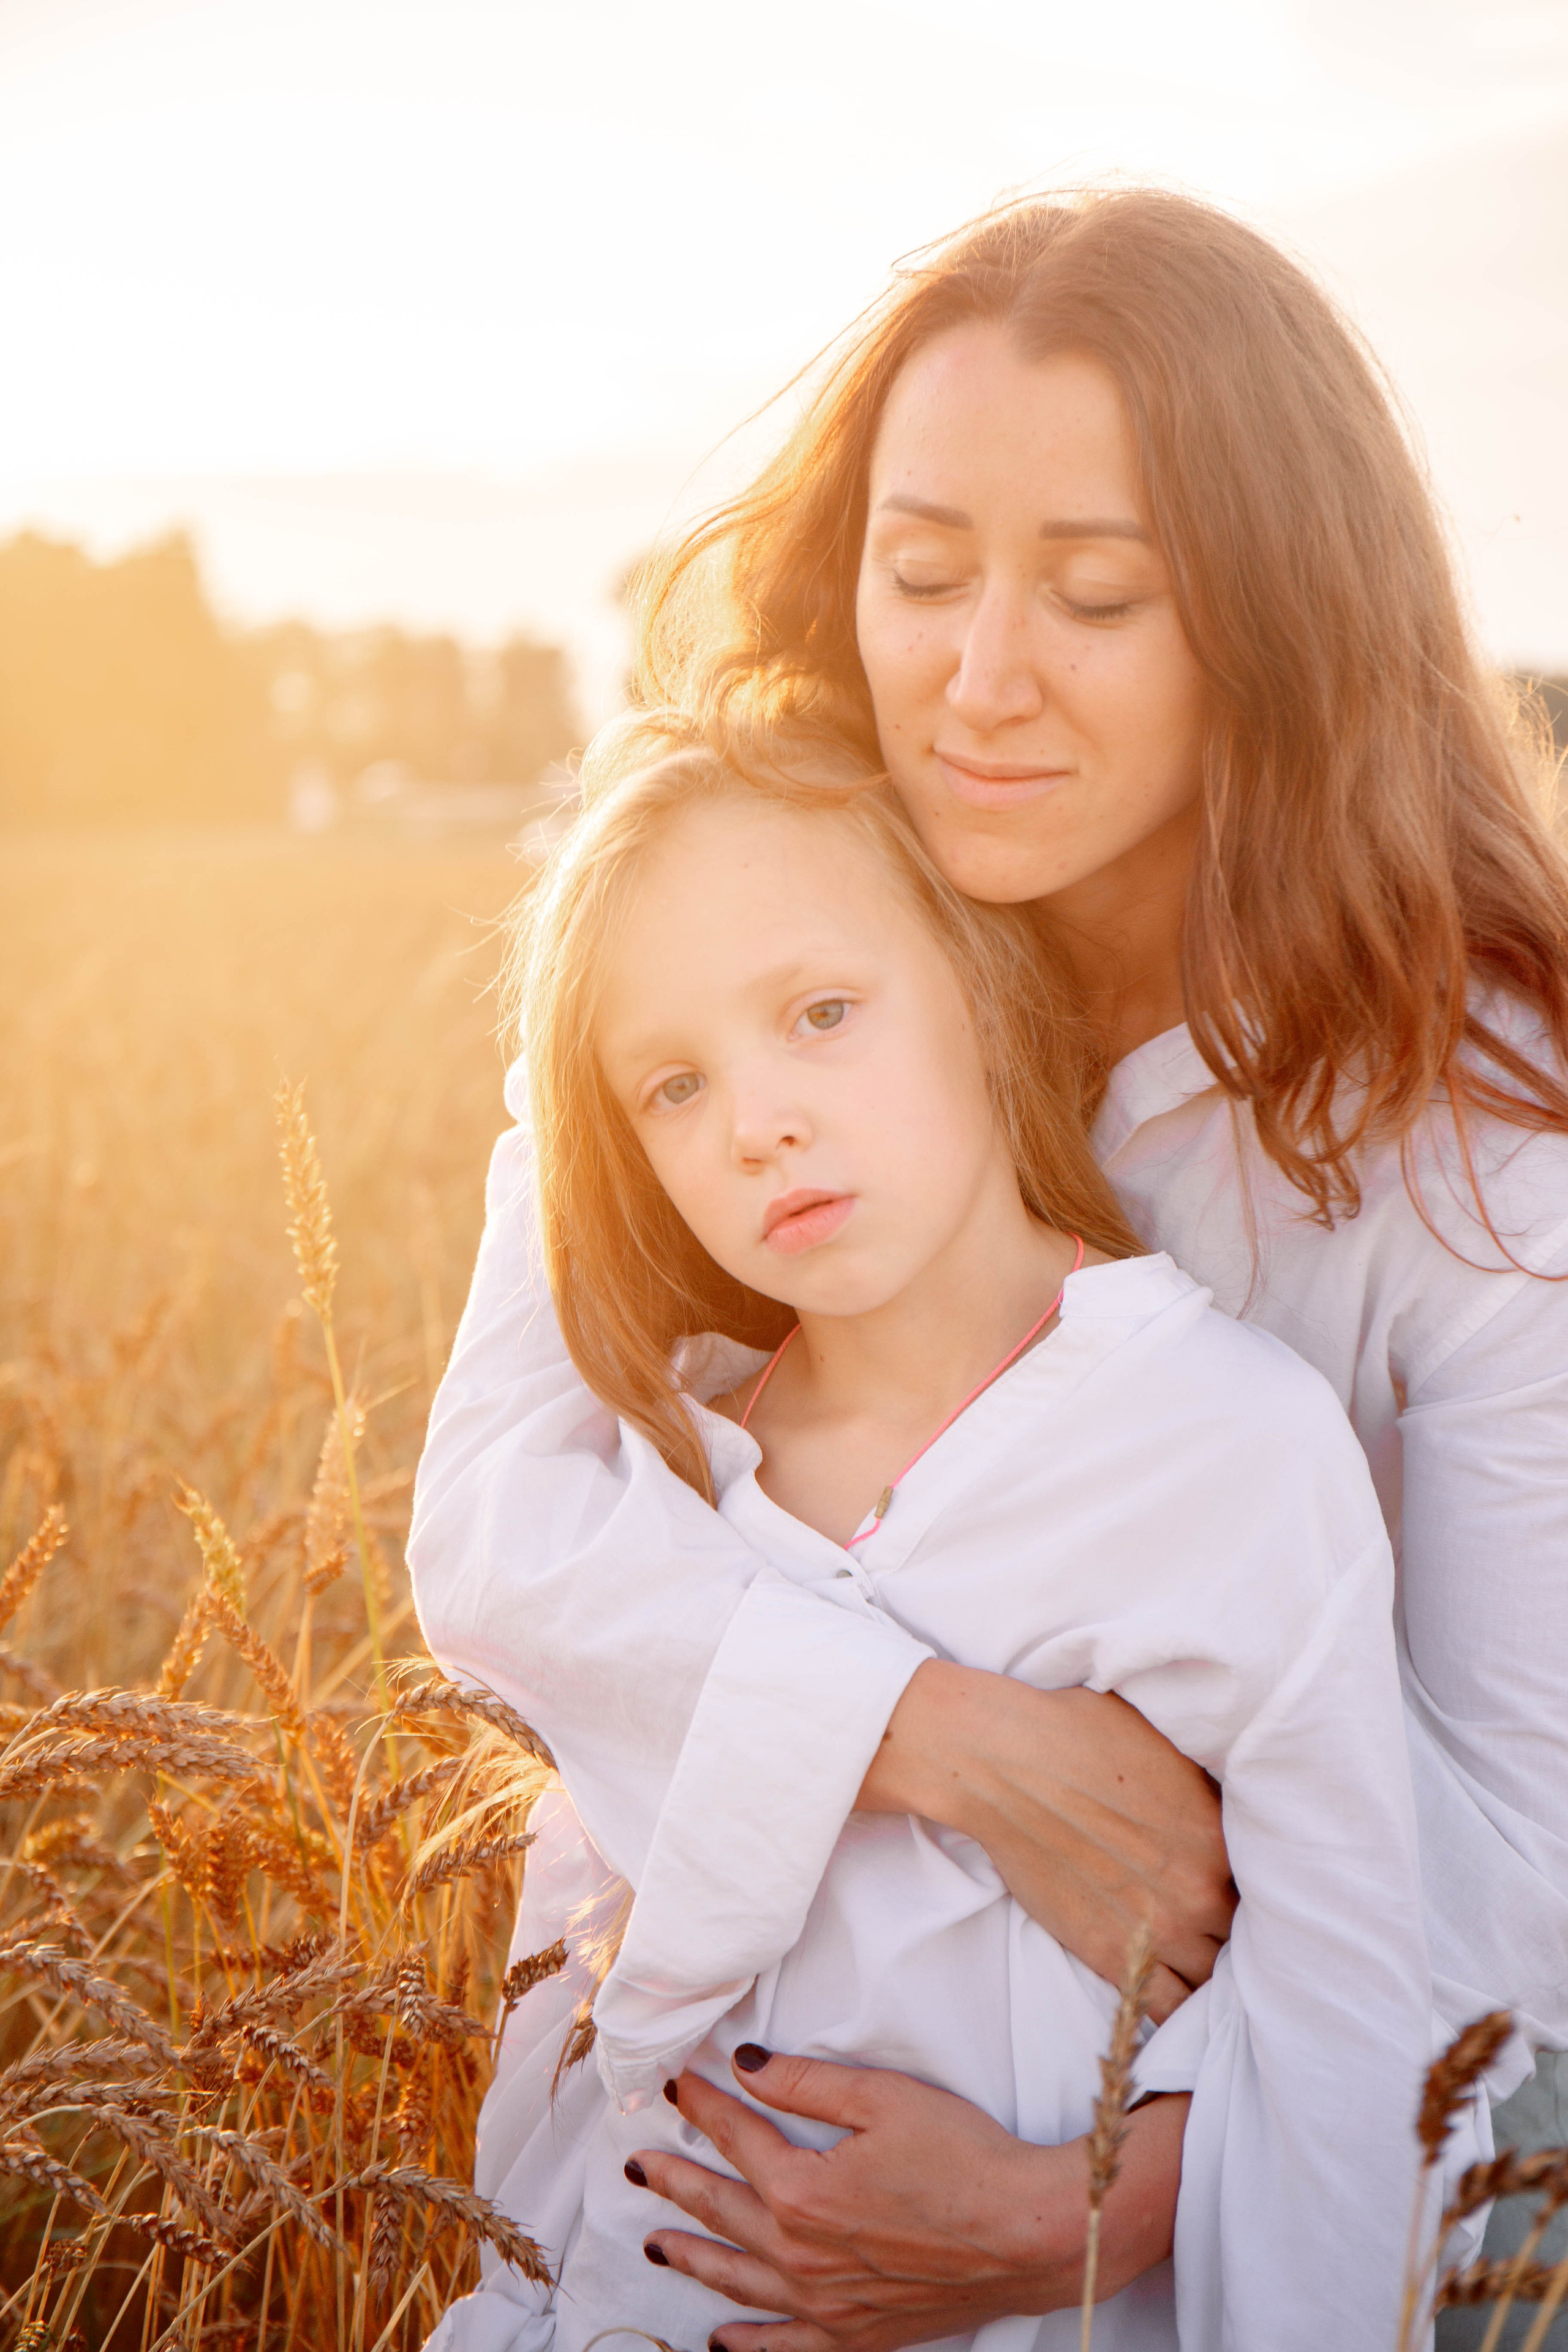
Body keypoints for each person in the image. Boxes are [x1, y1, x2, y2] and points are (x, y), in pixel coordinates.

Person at [410, 187, 1568, 2350]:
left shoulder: (1486, 1144)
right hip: (694, 2182)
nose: (978, 677)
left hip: (1213, 2171)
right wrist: (933, 1739)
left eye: (1100, 595)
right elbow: (501, 1520)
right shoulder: (769, 909)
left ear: (1283, 631)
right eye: (923, 573)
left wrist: (1093, 2203)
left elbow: (1525, 1866)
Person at [430, 733, 1444, 2352]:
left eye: (824, 1015)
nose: (757, 1122)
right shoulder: (661, 1491)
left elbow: (1346, 2038)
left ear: (984, 990)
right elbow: (568, 2065)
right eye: (672, 1085)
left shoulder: (1226, 1447)